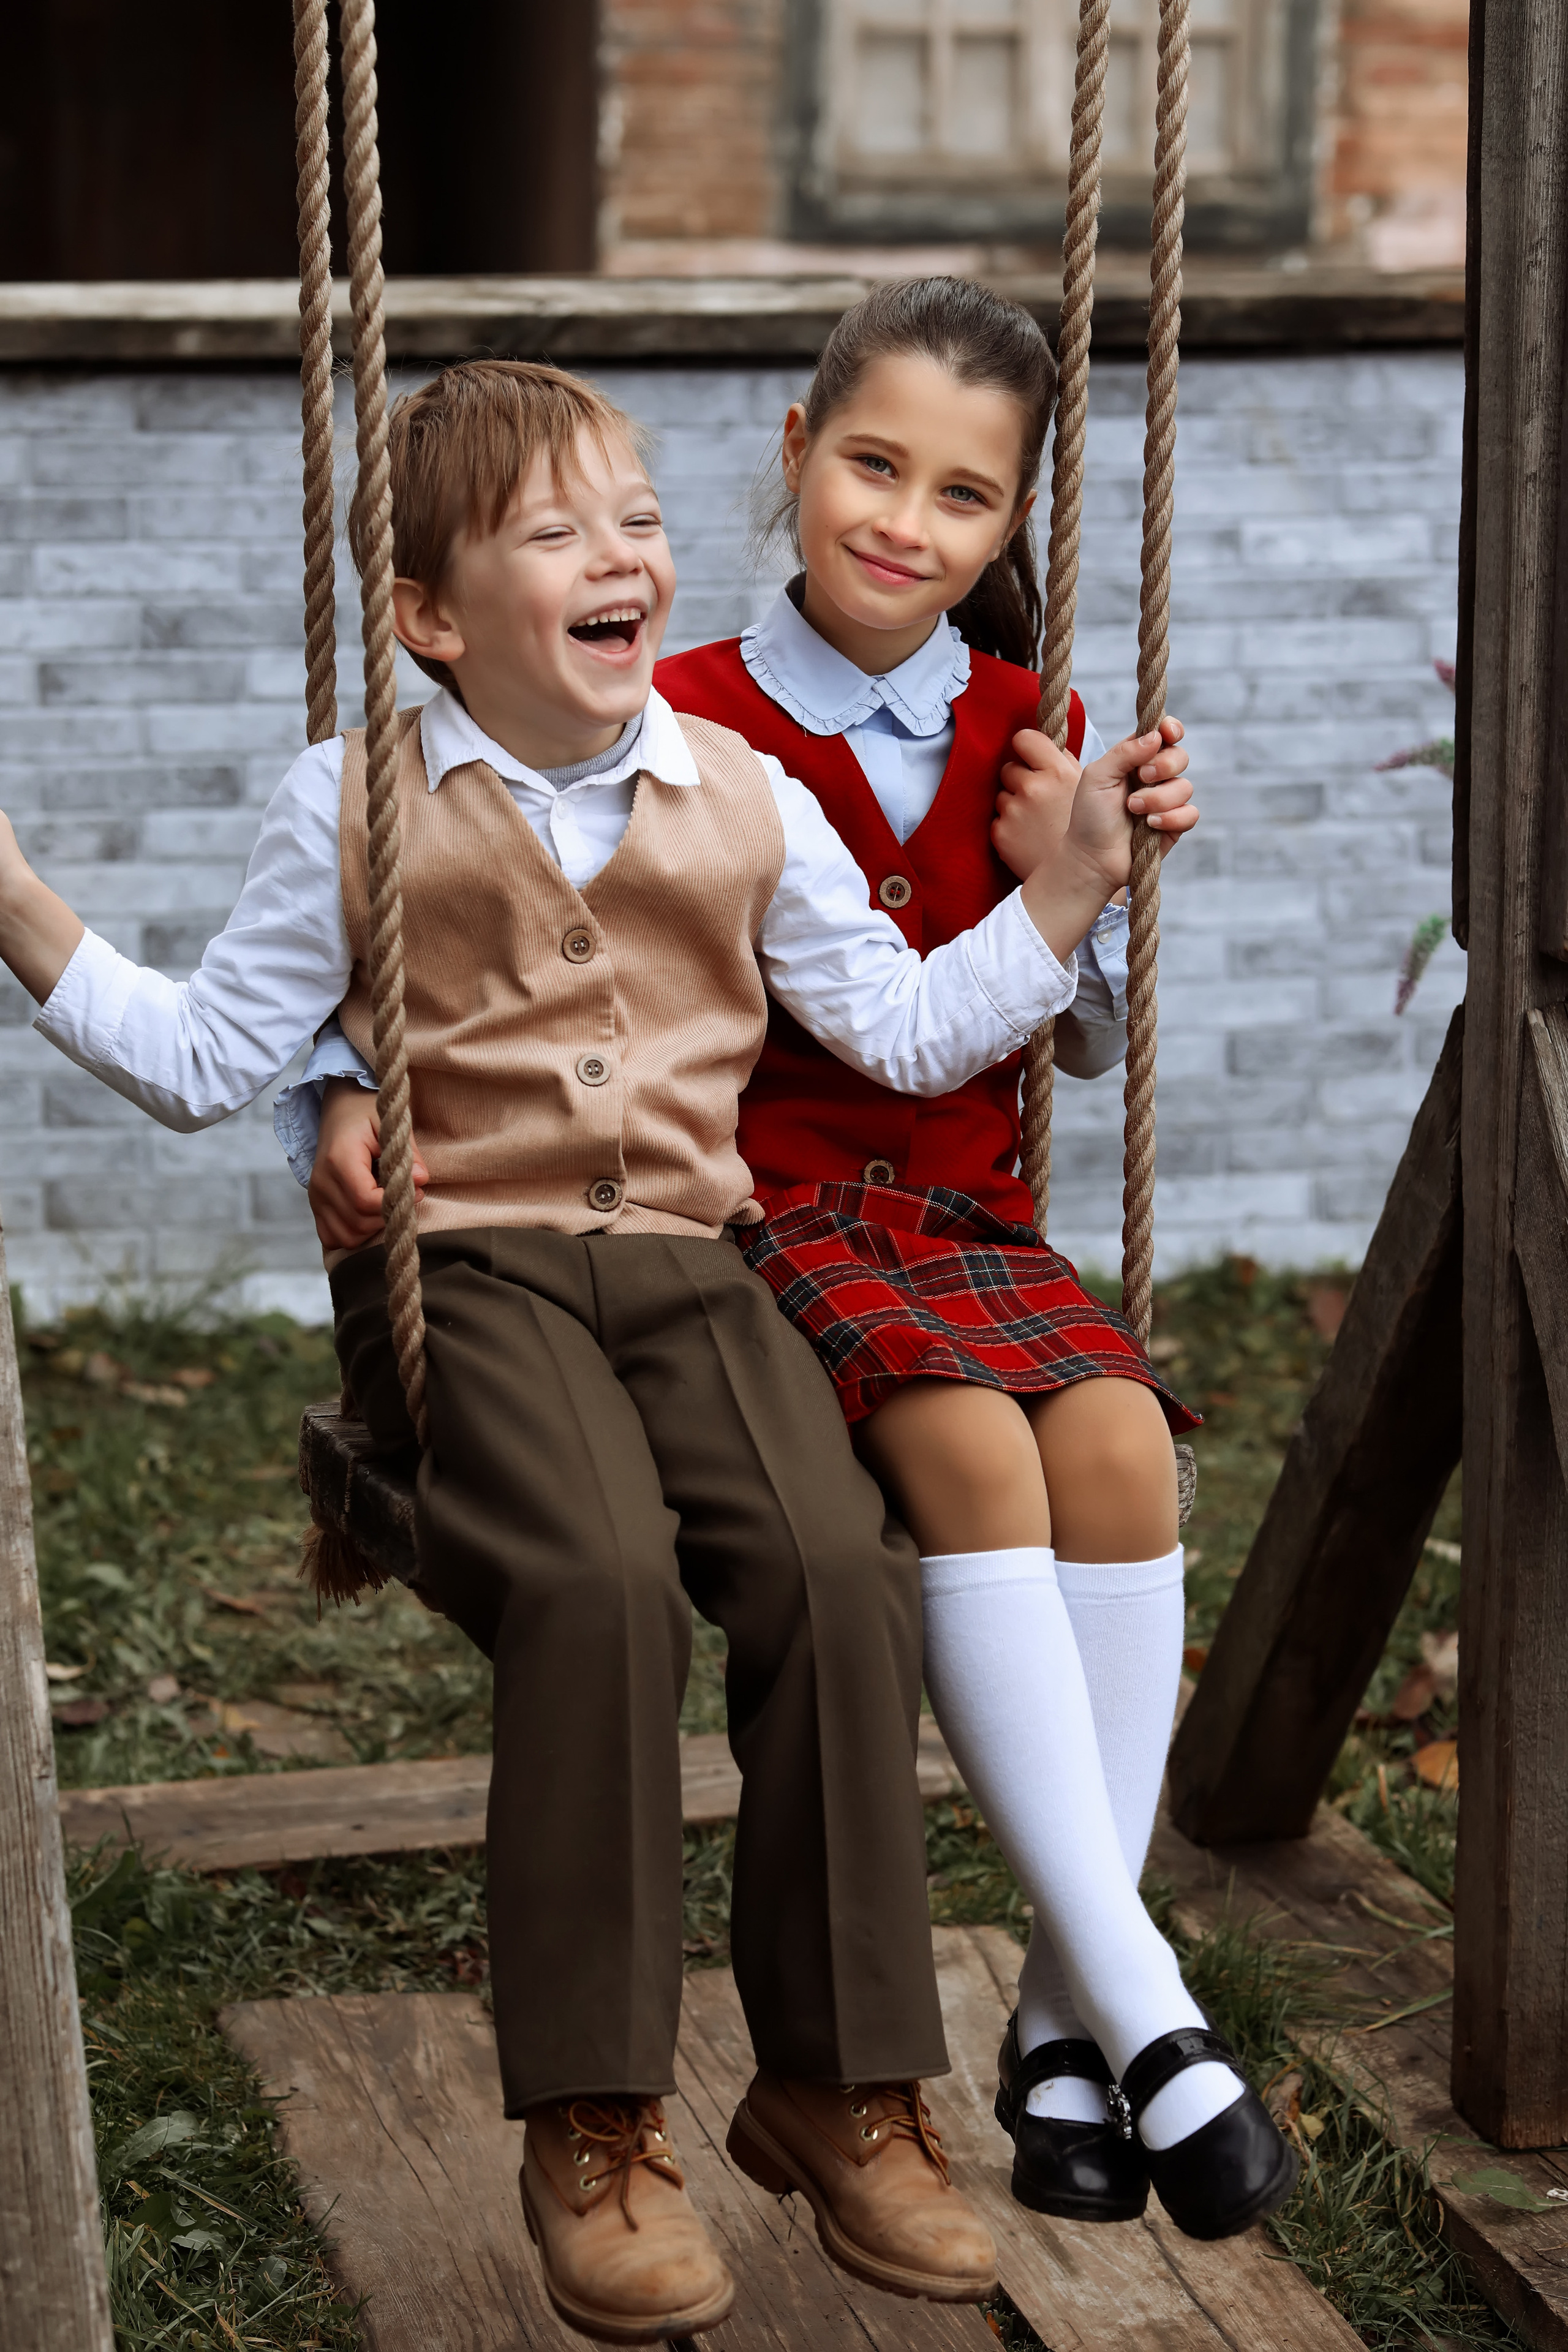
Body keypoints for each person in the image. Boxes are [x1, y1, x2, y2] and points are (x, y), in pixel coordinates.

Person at [0, 359, 1172, 2344]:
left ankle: (836, 2081)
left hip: (697, 1269)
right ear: (436, 619)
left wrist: (1063, 892)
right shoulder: (358, 797)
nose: (622, 554)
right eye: (556, 533)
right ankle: (597, 2121)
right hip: (478, 1274)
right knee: (600, 1582)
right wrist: (25, 907)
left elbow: (892, 1028)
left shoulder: (746, 796)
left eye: (634, 516)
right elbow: (210, 1054)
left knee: (834, 1566)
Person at [306, 287, 1295, 2247]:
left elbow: (1047, 1038)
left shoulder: (1036, 729)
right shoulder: (661, 707)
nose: (907, 521)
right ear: (792, 449)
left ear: (1009, 529)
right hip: (758, 1211)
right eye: (872, 464)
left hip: (966, 1215)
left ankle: (1065, 2017)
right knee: (947, 1483)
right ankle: (1138, 2013)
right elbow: (470, 914)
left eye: (962, 495)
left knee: (1111, 1450)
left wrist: (1079, 876)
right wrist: (341, 1081)